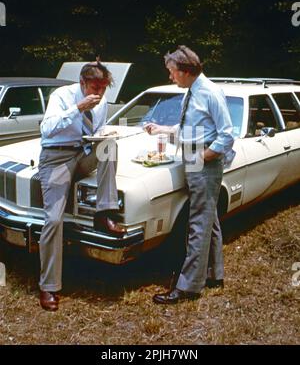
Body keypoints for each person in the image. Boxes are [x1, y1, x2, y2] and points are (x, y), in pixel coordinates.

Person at [144, 45, 235, 304]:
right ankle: (213, 273)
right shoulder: (192, 91)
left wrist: (201, 157)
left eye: (172, 72)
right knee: (208, 218)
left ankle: (188, 287)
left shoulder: (209, 93)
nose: (170, 77)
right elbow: (190, 128)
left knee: (198, 222)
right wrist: (161, 129)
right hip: (195, 158)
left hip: (204, 163)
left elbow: (226, 134)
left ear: (185, 71)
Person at [38, 60, 123, 311]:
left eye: (103, 88)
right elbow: (47, 129)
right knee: (53, 220)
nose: (99, 94)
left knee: (110, 146)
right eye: (94, 87)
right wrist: (77, 108)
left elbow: (95, 132)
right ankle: (49, 287)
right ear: (83, 82)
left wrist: (104, 135)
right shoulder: (62, 96)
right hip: (57, 158)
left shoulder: (102, 101)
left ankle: (104, 212)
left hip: (82, 153)